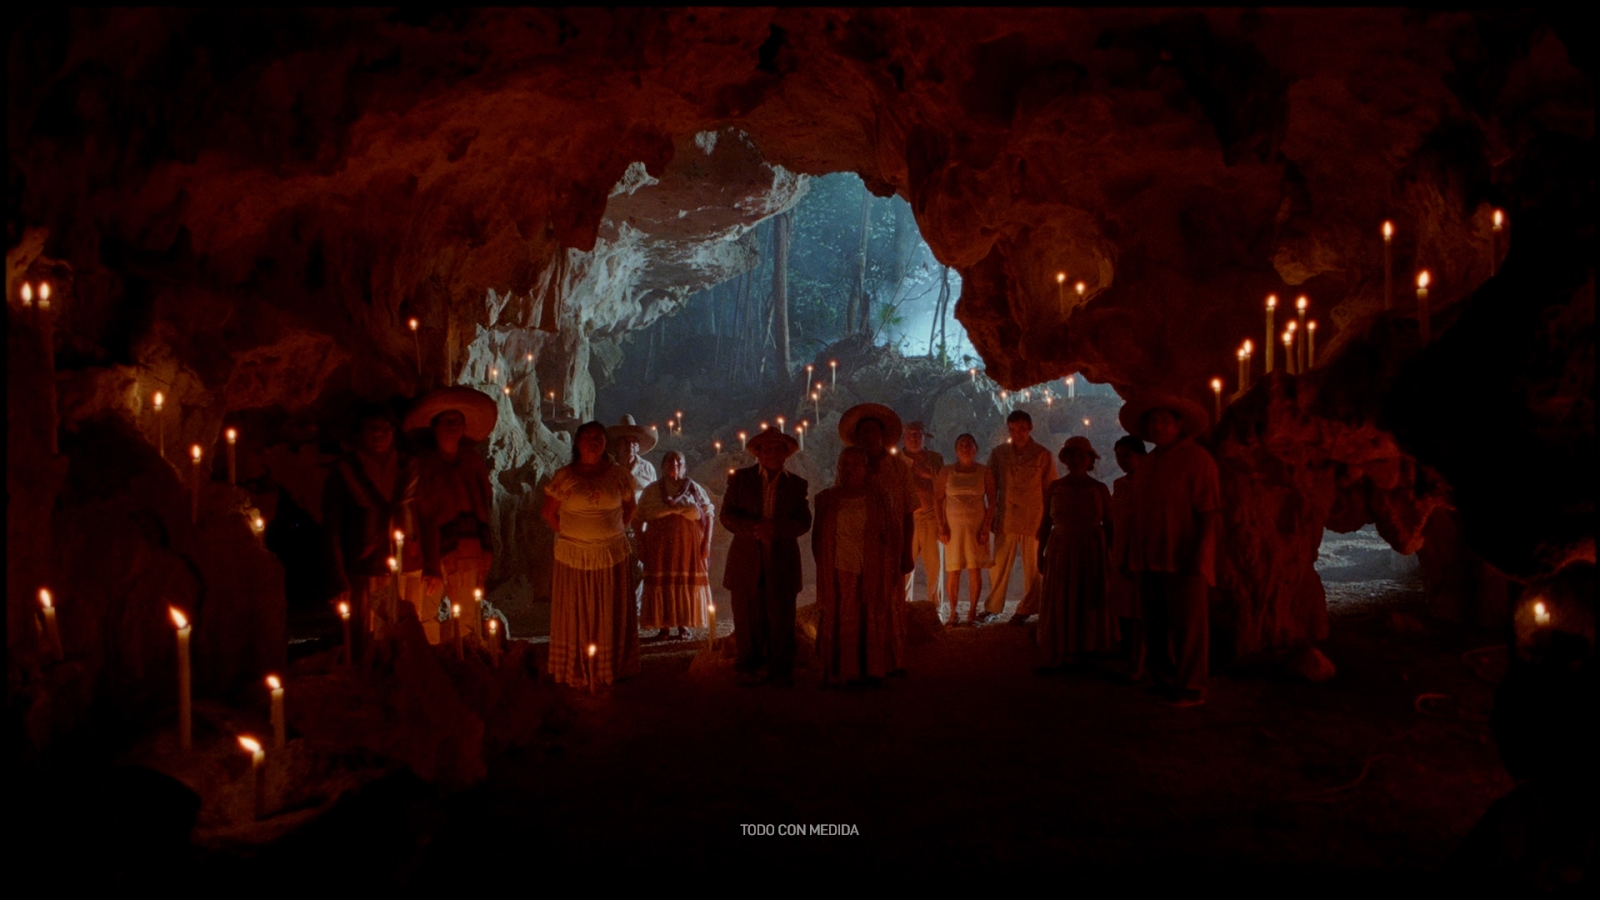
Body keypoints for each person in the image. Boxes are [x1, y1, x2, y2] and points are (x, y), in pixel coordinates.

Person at [1119, 392, 1221, 707]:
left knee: (1189, 627)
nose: (1159, 426)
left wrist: (1200, 553)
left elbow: (1208, 511)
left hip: (1183, 557)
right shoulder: (1148, 463)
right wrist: (1131, 554)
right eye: (1153, 421)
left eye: (1165, 420)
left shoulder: (1197, 460)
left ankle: (1192, 686)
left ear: (1179, 425)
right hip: (1150, 558)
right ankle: (1163, 679)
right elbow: (1139, 513)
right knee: (1155, 625)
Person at [541, 421, 640, 689]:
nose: (594, 441)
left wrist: (612, 532)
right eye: (588, 436)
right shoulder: (566, 476)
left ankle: (611, 665)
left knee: (608, 609)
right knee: (579, 611)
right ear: (578, 442)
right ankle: (576, 665)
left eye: (599, 436)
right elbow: (549, 513)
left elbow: (630, 508)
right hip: (574, 557)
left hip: (611, 555)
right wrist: (575, 536)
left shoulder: (618, 475)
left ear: (606, 443)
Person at [323, 404, 419, 661]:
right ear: (360, 433)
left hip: (406, 565)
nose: (379, 433)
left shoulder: (409, 467)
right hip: (363, 566)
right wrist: (338, 576)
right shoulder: (345, 472)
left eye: (385, 428)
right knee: (365, 638)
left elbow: (423, 512)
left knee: (405, 635)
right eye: (372, 428)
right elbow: (332, 528)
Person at [720, 427, 811, 687]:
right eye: (767, 448)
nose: (772, 452)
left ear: (786, 454)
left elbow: (804, 522)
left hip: (782, 559)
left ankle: (781, 666)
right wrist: (755, 529)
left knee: (781, 612)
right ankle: (749, 663)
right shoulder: (739, 480)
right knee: (748, 612)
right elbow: (727, 515)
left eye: (778, 448)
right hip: (746, 557)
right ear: (758, 453)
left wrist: (777, 529)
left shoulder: (796, 485)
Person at [406, 387, 497, 645]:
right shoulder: (423, 463)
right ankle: (430, 666)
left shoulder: (472, 461)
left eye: (456, 421)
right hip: (431, 550)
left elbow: (484, 502)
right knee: (426, 613)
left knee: (468, 613)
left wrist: (486, 546)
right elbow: (417, 509)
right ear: (434, 427)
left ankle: (468, 663)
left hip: (469, 548)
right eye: (446, 421)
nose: (451, 426)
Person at [839, 403, 914, 674]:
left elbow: (908, 511)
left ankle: (891, 660)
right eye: (864, 432)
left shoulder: (898, 468)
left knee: (891, 603)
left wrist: (906, 551)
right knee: (859, 604)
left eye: (874, 431)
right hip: (857, 548)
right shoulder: (849, 465)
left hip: (890, 547)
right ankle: (861, 661)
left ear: (883, 435)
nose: (870, 436)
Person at [812, 447, 895, 686]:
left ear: (866, 468)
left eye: (855, 464)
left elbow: (888, 535)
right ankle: (841, 670)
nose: (849, 469)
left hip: (870, 568)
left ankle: (870, 669)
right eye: (845, 464)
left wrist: (889, 568)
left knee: (868, 617)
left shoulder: (878, 498)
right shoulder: (827, 499)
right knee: (841, 617)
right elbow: (818, 538)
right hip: (838, 569)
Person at [1036, 436, 1114, 669]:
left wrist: (1110, 555)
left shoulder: (1099, 489)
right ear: (1066, 459)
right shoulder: (1055, 488)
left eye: (1082, 455)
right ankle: (1061, 649)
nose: (1077, 459)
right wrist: (1041, 553)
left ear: (1089, 459)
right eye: (1072, 454)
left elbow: (1110, 524)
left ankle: (1086, 648)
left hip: (1091, 550)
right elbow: (1045, 523)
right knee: (1062, 596)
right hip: (1062, 548)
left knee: (1087, 596)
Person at [985, 410, 1057, 625]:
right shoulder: (999, 454)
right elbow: (991, 486)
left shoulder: (1043, 455)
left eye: (1022, 429)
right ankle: (993, 606)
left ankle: (1027, 608)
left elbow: (1050, 488)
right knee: (998, 564)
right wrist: (990, 515)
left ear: (1030, 428)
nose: (1018, 434)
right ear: (1009, 430)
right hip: (1006, 516)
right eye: (1013, 430)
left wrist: (1049, 520)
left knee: (1033, 567)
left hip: (1033, 517)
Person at [634, 451, 714, 641]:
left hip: (689, 546)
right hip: (659, 546)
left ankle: (683, 624)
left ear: (685, 467)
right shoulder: (652, 490)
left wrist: (707, 543)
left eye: (679, 461)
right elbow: (637, 519)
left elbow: (708, 514)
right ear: (662, 466)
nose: (675, 464)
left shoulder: (694, 488)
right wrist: (641, 544)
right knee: (663, 582)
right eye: (670, 460)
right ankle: (664, 626)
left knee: (684, 583)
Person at [935, 433, 996, 625]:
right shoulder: (946, 471)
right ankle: (953, 613)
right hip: (953, 528)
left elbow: (993, 501)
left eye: (969, 444)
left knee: (973, 568)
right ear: (955, 449)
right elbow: (937, 499)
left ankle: (971, 613)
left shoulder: (984, 471)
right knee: (953, 570)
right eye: (961, 445)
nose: (965, 448)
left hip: (976, 527)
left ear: (975, 448)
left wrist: (986, 527)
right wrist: (941, 526)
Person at [1110, 435, 1149, 681]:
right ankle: (1129, 658)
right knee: (1124, 610)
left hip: (1140, 551)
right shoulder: (1119, 484)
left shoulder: (1150, 484)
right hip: (1121, 549)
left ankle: (1140, 661)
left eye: (1127, 455)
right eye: (1119, 456)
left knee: (1139, 611)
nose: (1122, 461)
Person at [901, 421, 946, 610]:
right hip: (906, 521)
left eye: (917, 434)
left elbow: (943, 487)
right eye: (910, 434)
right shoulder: (897, 460)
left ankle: (935, 610)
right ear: (904, 437)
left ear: (924, 436)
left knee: (934, 568)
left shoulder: (934, 459)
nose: (914, 438)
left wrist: (926, 475)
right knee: (904, 568)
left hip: (931, 519)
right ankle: (902, 608)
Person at [607, 415, 658, 501]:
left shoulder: (647, 467)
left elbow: (655, 495)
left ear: (638, 447)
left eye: (633, 442)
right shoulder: (608, 467)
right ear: (617, 445)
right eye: (625, 441)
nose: (630, 445)